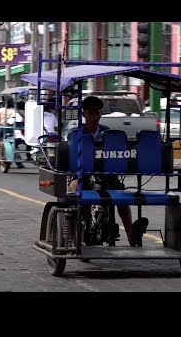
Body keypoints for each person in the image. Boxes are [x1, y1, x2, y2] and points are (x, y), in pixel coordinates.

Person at [68, 95, 148, 246]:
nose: (94, 116)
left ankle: (131, 236)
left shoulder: (109, 133)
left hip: (106, 176)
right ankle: (73, 233)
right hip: (81, 174)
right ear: (83, 114)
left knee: (123, 198)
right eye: (90, 113)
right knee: (73, 190)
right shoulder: (74, 134)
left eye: (97, 113)